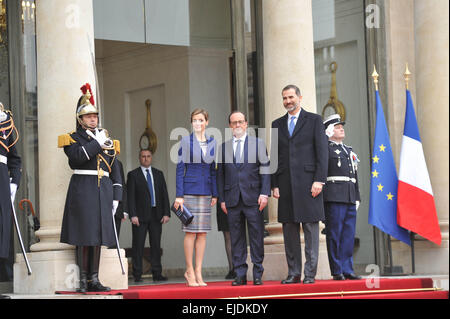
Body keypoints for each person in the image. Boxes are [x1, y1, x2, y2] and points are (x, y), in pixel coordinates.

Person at [58, 84, 123, 293]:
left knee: (97, 236)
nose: (93, 119)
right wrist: (98, 143)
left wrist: (116, 194)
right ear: (80, 120)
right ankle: (83, 280)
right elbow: (77, 158)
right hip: (83, 188)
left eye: (95, 116)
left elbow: (115, 169)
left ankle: (94, 278)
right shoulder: (73, 138)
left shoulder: (108, 139)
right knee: (84, 236)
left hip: (103, 189)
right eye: (88, 117)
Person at [271, 84, 328, 284]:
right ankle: (294, 273)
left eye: (291, 97)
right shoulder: (276, 124)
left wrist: (319, 180)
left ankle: (309, 274)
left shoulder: (314, 120)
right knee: (289, 230)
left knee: (311, 230)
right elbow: (275, 156)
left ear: (300, 98)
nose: (288, 101)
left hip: (310, 184)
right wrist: (274, 183)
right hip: (285, 186)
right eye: (285, 98)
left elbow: (322, 152)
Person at [217, 111, 270, 286]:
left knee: (256, 236)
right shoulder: (223, 147)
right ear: (230, 126)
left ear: (246, 124)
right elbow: (220, 176)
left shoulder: (258, 144)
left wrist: (264, 193)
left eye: (240, 122)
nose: (237, 125)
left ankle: (257, 273)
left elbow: (265, 170)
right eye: (234, 123)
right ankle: (240, 273)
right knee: (236, 237)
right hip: (232, 199)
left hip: (254, 198)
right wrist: (222, 200)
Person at [174, 108, 218, 287]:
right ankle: (189, 270)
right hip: (189, 191)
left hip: (206, 191)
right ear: (191, 123)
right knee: (190, 232)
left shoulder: (212, 142)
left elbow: (213, 171)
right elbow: (179, 170)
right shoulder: (185, 141)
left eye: (201, 120)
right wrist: (179, 195)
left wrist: (215, 193)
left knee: (202, 233)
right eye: (194, 120)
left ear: (207, 122)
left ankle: (199, 271)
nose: (198, 123)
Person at [322, 114, 361, 280]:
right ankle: (337, 269)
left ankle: (347, 268)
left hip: (349, 196)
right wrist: (324, 138)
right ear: (329, 130)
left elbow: (354, 176)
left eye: (341, 126)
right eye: (337, 127)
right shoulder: (326, 148)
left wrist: (357, 196)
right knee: (335, 234)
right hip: (334, 196)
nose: (341, 129)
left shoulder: (349, 150)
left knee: (348, 235)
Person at [127, 149, 170, 283]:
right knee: (138, 245)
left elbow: (164, 195)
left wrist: (166, 213)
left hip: (156, 214)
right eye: (143, 156)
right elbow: (130, 197)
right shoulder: (133, 175)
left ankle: (157, 273)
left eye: (148, 156)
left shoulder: (158, 174)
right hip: (139, 216)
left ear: (151, 158)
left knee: (156, 245)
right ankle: (137, 274)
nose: (146, 158)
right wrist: (132, 215)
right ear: (139, 158)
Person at [0, 103, 21, 282]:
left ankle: (4, 278)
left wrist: (14, 182)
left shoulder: (5, 123)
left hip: (1, 179)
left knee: (2, 227)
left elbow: (14, 158)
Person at [110, 159, 128, 247]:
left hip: (117, 209)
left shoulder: (117, 163)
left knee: (113, 243)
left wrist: (124, 209)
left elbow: (122, 186)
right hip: (101, 207)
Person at [216, 205, 236, 280]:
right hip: (223, 202)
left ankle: (234, 268)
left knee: (230, 237)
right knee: (228, 236)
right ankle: (233, 268)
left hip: (236, 201)